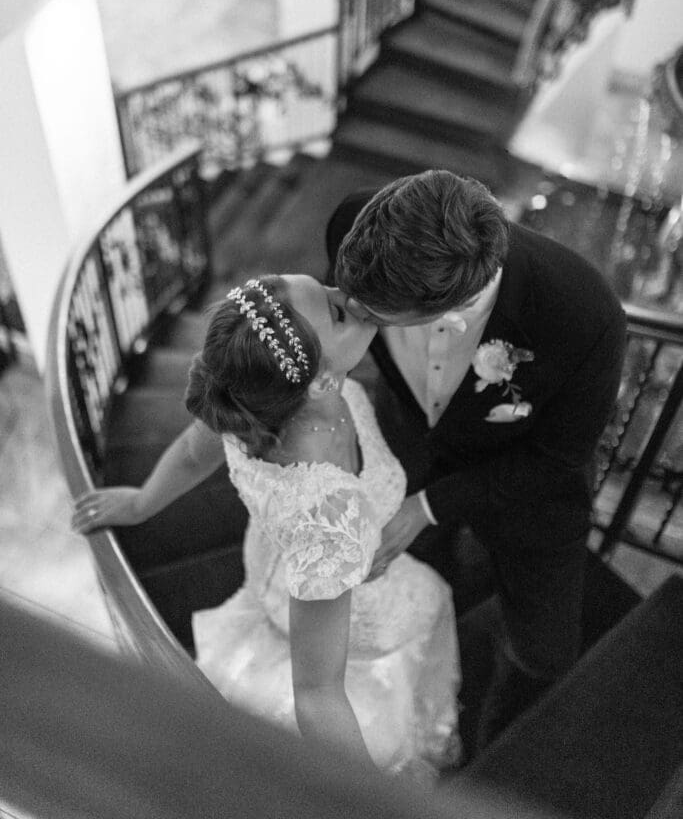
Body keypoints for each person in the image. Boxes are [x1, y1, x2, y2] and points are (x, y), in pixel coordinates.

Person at [72, 274, 462, 776]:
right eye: (337, 311)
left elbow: (194, 452)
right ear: (319, 377)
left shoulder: (257, 395)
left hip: (286, 565)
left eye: (324, 287)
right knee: (433, 597)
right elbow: (318, 692)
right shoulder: (326, 514)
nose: (348, 294)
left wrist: (141, 502)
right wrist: (375, 797)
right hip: (341, 602)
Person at [326, 170, 627, 749]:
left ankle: (499, 749)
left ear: (449, 306)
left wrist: (429, 505)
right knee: (425, 579)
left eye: (376, 313)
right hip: (411, 439)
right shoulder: (355, 222)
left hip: (531, 495)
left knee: (541, 651)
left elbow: (556, 460)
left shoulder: (585, 315)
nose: (354, 315)